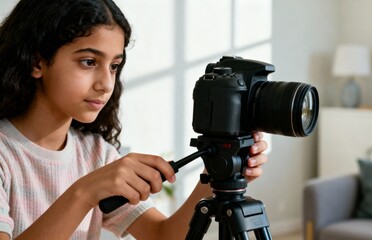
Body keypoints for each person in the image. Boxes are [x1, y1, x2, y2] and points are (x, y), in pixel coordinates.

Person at [0, 0, 269, 239]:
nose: (106, 83)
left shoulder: (96, 154)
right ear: (38, 62)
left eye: (114, 66)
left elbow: (162, 236)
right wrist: (84, 193)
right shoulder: (5, 155)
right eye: (89, 62)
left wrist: (213, 175)